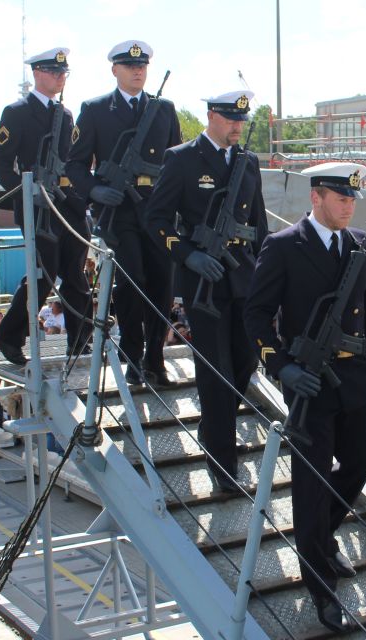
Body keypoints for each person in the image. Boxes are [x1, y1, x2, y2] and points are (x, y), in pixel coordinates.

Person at [244, 162, 366, 632]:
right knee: (311, 484)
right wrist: (280, 364)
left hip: (357, 379)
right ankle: (321, 584)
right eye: (341, 198)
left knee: (360, 462)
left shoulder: (360, 245)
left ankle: (317, 537)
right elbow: (256, 313)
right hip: (309, 381)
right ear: (317, 198)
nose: (350, 206)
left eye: (353, 199)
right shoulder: (284, 246)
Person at [143, 89, 268, 491]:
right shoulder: (182, 158)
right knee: (217, 374)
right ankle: (222, 461)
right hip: (204, 284)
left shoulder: (248, 163)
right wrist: (186, 255)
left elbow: (260, 228)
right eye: (231, 118)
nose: (237, 126)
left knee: (246, 363)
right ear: (211, 116)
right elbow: (156, 218)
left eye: (241, 120)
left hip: (243, 278)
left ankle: (215, 427)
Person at [65, 39, 181, 387]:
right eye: (130, 67)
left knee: (162, 284)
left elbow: (175, 162)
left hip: (157, 211)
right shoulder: (96, 109)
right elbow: (75, 164)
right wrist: (96, 191)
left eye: (142, 66)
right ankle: (133, 357)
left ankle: (155, 359)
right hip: (121, 213)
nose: (137, 71)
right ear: (115, 70)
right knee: (132, 283)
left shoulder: (164, 110)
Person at [0, 47, 91, 365]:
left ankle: (80, 340)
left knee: (74, 272)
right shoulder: (17, 112)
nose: (60, 77)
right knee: (43, 273)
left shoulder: (66, 114)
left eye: (63, 73)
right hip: (36, 207)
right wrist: (24, 194)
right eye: (53, 72)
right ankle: (8, 336)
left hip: (65, 204)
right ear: (37, 74)